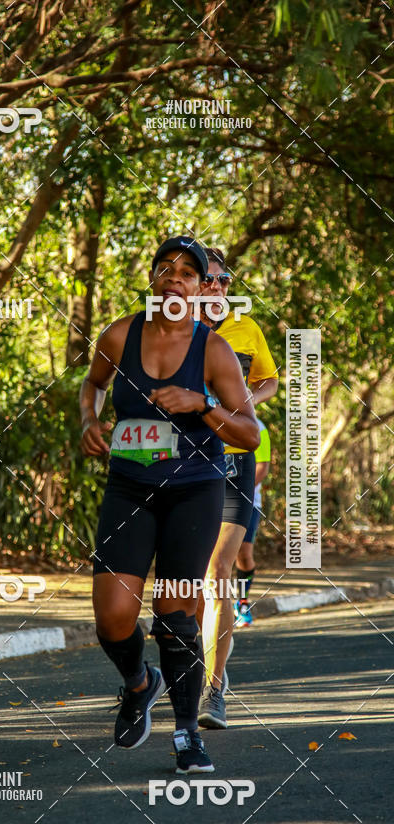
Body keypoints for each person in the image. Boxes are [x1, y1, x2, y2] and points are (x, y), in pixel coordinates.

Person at [80, 236, 259, 774]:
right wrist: (89, 421)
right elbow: (91, 384)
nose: (175, 277)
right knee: (112, 618)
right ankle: (139, 683)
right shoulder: (120, 333)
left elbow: (249, 431)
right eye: (166, 268)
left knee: (176, 614)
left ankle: (186, 735)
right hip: (129, 488)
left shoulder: (214, 350)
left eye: (189, 271)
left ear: (203, 286)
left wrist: (202, 404)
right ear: (154, 279)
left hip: (193, 492)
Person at [195, 248, 278, 730]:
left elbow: (268, 379)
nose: (219, 289)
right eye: (210, 280)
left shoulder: (245, 329)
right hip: (181, 462)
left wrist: (250, 396)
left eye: (225, 281)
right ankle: (166, 671)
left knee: (218, 570)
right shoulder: (171, 328)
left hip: (234, 459)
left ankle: (214, 684)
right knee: (180, 577)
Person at [234, 418, 271, 626]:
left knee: (244, 554)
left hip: (248, 501)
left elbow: (262, 468)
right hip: (212, 499)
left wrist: (237, 491)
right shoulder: (212, 415)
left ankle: (241, 602)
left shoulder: (260, 428)